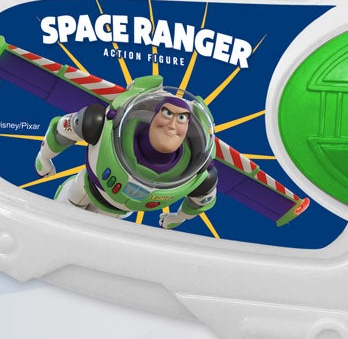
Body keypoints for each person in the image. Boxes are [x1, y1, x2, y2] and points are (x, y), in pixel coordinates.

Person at [34, 76, 217, 228]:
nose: (172, 125)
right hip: (83, 190)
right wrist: (43, 158)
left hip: (117, 215)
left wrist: (176, 218)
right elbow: (61, 130)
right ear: (154, 115)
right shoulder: (99, 123)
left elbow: (202, 201)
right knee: (64, 211)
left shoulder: (201, 176)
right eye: (167, 113)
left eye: (182, 118)